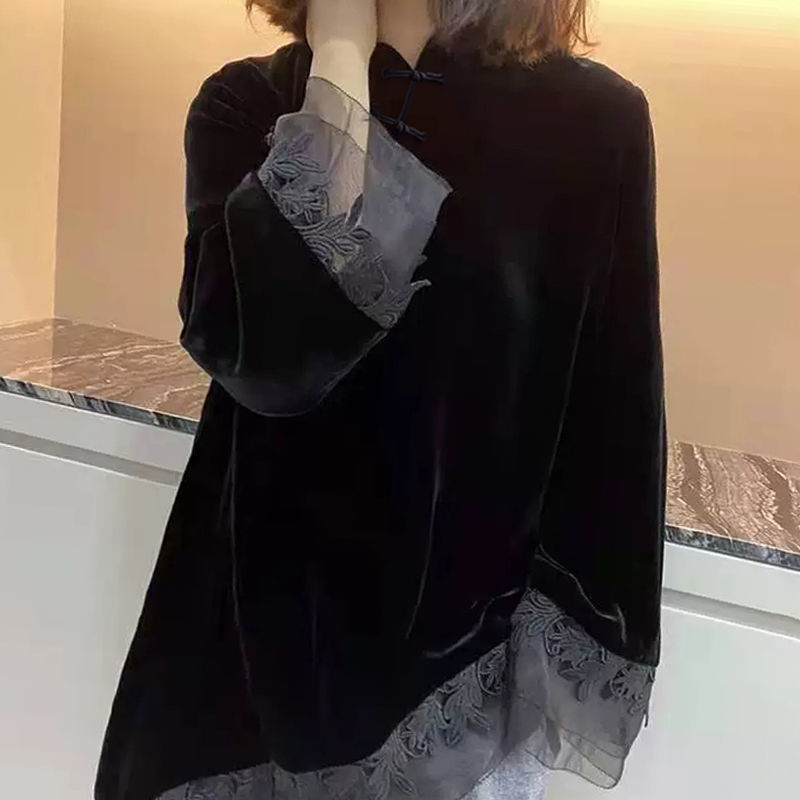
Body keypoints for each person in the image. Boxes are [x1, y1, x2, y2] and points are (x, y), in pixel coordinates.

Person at [96, 1, 666, 798]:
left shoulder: (593, 124)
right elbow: (270, 360)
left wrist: (561, 667)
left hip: (462, 689)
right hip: (245, 655)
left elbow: (613, 424)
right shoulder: (248, 105)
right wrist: (338, 60)